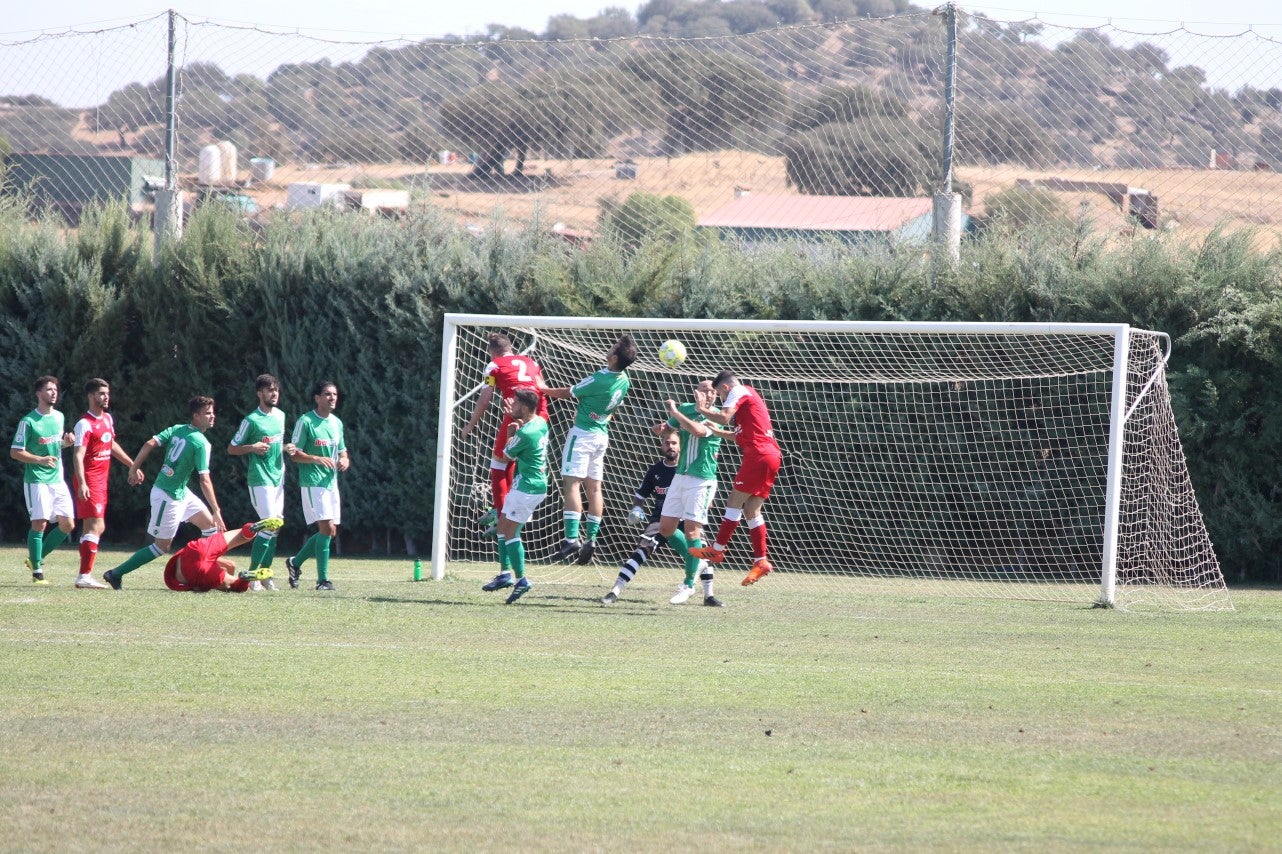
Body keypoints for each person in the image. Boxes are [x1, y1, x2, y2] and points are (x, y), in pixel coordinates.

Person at [102, 396, 227, 590]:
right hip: (167, 495)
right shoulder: (201, 443)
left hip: (180, 492)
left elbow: (149, 443)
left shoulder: (178, 429)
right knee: (161, 547)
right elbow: (204, 480)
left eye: (212, 412)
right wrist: (217, 510)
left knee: (210, 528)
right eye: (207, 413)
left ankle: (199, 571)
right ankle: (115, 573)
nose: (212, 417)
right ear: (195, 416)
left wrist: (133, 468)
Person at [542, 334, 638, 565]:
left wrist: (542, 389)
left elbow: (569, 392)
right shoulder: (624, 379)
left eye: (612, 347)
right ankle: (591, 539)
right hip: (601, 435)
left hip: (583, 434)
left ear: (614, 357)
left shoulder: (599, 379)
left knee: (572, 483)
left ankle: (571, 538)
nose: (608, 349)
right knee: (594, 488)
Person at [690, 370, 783, 586]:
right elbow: (738, 435)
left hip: (759, 455)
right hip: (770, 455)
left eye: (721, 397)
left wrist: (701, 408)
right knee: (751, 510)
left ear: (724, 388)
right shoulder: (749, 397)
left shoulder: (737, 391)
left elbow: (724, 417)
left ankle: (717, 550)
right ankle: (761, 561)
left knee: (734, 502)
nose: (723, 401)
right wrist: (716, 431)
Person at [459, 332, 548, 536]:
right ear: (511, 348)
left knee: (498, 463)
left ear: (492, 352)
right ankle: (506, 504)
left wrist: (470, 426)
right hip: (540, 416)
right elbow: (541, 387)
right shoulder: (531, 362)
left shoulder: (493, 366)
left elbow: (484, 400)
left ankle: (502, 515)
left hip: (516, 412)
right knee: (514, 459)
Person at [658, 379, 733, 605]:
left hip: (702, 481)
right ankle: (696, 560)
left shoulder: (717, 415)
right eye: (703, 389)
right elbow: (669, 429)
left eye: (712, 391)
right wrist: (662, 429)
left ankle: (688, 584)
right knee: (666, 528)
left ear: (716, 395)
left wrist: (674, 412)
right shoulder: (686, 409)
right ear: (696, 392)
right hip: (680, 477)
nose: (708, 393)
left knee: (692, 531)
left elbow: (698, 431)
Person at [598, 430, 690, 605]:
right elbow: (641, 496)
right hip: (660, 519)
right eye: (667, 443)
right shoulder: (655, 470)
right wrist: (636, 509)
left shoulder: (687, 469)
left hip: (686, 518)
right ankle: (615, 591)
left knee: (701, 551)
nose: (670, 446)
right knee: (642, 550)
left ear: (680, 445)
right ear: (661, 445)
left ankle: (709, 595)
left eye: (674, 443)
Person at [479, 389, 548, 604]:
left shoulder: (525, 433)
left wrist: (510, 434)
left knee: (510, 531)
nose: (512, 406)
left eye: (516, 403)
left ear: (525, 408)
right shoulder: (539, 423)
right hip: (526, 485)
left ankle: (521, 580)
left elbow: (505, 456)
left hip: (528, 488)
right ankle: (505, 574)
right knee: (502, 526)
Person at [70, 378, 136, 589]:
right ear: (91, 396)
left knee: (91, 527)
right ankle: (84, 575)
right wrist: (82, 483)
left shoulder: (107, 418)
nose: (106, 397)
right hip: (89, 480)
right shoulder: (84, 424)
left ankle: (84, 575)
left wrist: (131, 465)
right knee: (97, 526)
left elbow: (111, 443)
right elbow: (78, 455)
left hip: (101, 480)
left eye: (107, 393)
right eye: (101, 394)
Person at [284, 380, 349, 592]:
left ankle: (295, 562)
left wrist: (344, 460)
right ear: (317, 398)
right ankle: (322, 580)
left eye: (335, 394)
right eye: (327, 394)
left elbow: (342, 451)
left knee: (330, 532)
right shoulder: (306, 421)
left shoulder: (336, 423)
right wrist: (316, 458)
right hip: (312, 483)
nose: (332, 398)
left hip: (331, 483)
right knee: (326, 528)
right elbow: (294, 454)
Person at [9, 376, 75, 585]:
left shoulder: (59, 417)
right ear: (39, 393)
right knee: (40, 523)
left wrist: (66, 443)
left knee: (68, 524)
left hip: (57, 479)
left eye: (55, 389)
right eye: (49, 389)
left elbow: (55, 447)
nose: (53, 392)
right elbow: (15, 452)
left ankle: (35, 558)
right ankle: (37, 572)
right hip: (36, 480)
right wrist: (39, 459)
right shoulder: (28, 421)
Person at [228, 374, 287, 590]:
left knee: (276, 527)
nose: (274, 393)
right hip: (260, 479)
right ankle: (252, 576)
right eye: (269, 390)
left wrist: (286, 448)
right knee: (269, 524)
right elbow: (232, 448)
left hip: (278, 478)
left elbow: (275, 446)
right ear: (259, 393)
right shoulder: (251, 420)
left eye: (276, 390)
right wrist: (252, 447)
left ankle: (265, 574)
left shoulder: (281, 416)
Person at [163, 517, 284, 592]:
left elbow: (229, 566)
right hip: (197, 550)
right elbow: (230, 565)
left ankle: (245, 578)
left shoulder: (207, 566)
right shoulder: (210, 564)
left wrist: (225, 575)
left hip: (192, 565)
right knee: (242, 534)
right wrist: (224, 572)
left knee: (235, 585)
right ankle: (252, 528)